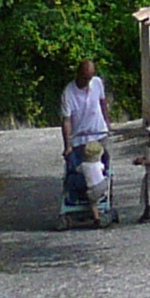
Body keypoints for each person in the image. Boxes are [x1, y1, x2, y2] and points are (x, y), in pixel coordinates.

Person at [59, 57, 111, 224]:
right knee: (79, 172)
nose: (88, 81)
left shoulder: (97, 83)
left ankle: (102, 202)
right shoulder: (68, 93)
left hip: (99, 133)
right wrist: (67, 145)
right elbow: (66, 121)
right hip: (80, 138)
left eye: (90, 77)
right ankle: (81, 202)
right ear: (78, 74)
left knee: (104, 170)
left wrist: (107, 124)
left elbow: (103, 103)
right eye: (85, 78)